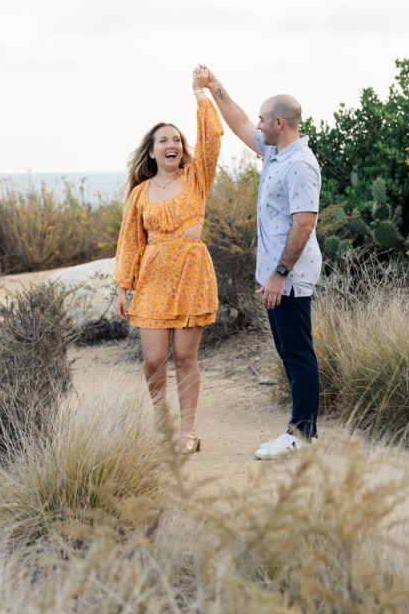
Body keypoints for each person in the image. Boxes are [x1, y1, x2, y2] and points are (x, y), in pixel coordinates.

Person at [203, 68, 323, 459]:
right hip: (275, 275)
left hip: (289, 275)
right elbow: (236, 121)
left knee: (297, 352)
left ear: (279, 123)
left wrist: (279, 275)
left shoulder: (300, 164)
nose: (256, 124)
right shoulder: (275, 151)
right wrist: (214, 85)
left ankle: (301, 435)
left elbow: (305, 223)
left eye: (262, 119)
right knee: (289, 350)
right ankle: (301, 432)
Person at [114, 65, 223, 454]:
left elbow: (211, 138)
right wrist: (123, 288)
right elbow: (130, 241)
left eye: (176, 139)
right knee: (153, 360)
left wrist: (200, 94)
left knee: (184, 356)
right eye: (164, 140)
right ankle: (163, 426)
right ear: (152, 150)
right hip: (153, 279)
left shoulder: (197, 178)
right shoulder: (141, 193)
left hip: (192, 273)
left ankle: (187, 433)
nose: (172, 144)